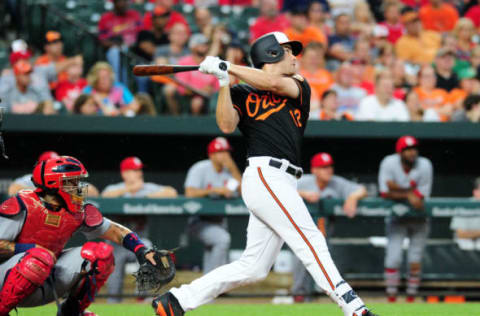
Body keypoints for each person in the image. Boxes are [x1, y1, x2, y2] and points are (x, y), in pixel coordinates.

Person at [152, 32, 377, 316]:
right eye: (287, 50)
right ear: (271, 53)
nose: (295, 56)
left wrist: (228, 66)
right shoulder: (241, 91)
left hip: (283, 180)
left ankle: (177, 300)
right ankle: (354, 308)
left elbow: (270, 82)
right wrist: (224, 82)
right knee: (311, 239)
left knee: (254, 267)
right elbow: (225, 123)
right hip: (265, 174)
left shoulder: (298, 83)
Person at [0, 156, 162, 316]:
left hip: (44, 277)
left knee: (101, 254)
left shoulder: (77, 210)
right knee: (39, 257)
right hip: (6, 278)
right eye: (72, 182)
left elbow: (115, 230)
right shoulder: (22, 203)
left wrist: (141, 250)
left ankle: (72, 311)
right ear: (53, 183)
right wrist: (32, 249)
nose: (78, 187)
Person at [291, 152, 368, 302]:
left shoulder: (336, 183)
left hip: (324, 235)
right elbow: (278, 188)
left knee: (325, 267)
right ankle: (298, 297)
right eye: (323, 167)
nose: (328, 170)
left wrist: (352, 197)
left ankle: (323, 299)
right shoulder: (303, 181)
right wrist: (302, 193)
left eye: (330, 166)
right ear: (314, 170)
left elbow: (362, 189)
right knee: (302, 263)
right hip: (301, 234)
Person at [101, 156, 177, 303]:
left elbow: (171, 192)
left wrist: (147, 196)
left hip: (140, 241)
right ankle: (113, 301)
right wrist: (129, 190)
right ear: (124, 173)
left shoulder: (146, 188)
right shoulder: (115, 188)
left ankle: (142, 295)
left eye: (139, 170)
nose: (139, 173)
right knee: (114, 274)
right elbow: (104, 196)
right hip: (118, 243)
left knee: (148, 249)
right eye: (134, 170)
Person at [378, 135, 433, 303]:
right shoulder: (389, 162)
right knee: (393, 258)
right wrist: (409, 192)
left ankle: (410, 298)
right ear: (399, 151)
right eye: (407, 149)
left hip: (419, 218)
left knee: (415, 259)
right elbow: (385, 192)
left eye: (414, 148)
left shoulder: (424, 165)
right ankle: (391, 297)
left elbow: (421, 197)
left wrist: (398, 189)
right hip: (396, 217)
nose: (411, 152)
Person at [184, 137, 241, 274]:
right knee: (222, 239)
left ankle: (208, 286)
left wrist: (233, 168)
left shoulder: (229, 172)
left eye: (226, 151)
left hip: (220, 222)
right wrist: (214, 190)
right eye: (220, 152)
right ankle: (211, 283)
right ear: (211, 155)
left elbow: (244, 192)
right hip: (199, 221)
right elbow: (189, 193)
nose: (225, 155)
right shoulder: (200, 168)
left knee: (215, 250)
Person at [8, 151, 100, 197]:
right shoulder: (31, 178)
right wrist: (46, 191)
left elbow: (93, 192)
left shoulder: (66, 178)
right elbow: (12, 191)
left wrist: (68, 191)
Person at [98, 0, 143, 84]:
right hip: (116, 49)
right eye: (121, 1)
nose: (125, 3)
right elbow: (103, 41)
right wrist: (118, 45)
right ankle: (118, 85)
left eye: (126, 1)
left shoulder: (134, 15)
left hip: (134, 50)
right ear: (114, 2)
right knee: (115, 52)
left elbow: (142, 35)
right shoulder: (106, 18)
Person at [450, 177, 480, 251]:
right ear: (475, 192)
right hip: (464, 242)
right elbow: (461, 234)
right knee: (467, 245)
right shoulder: (464, 206)